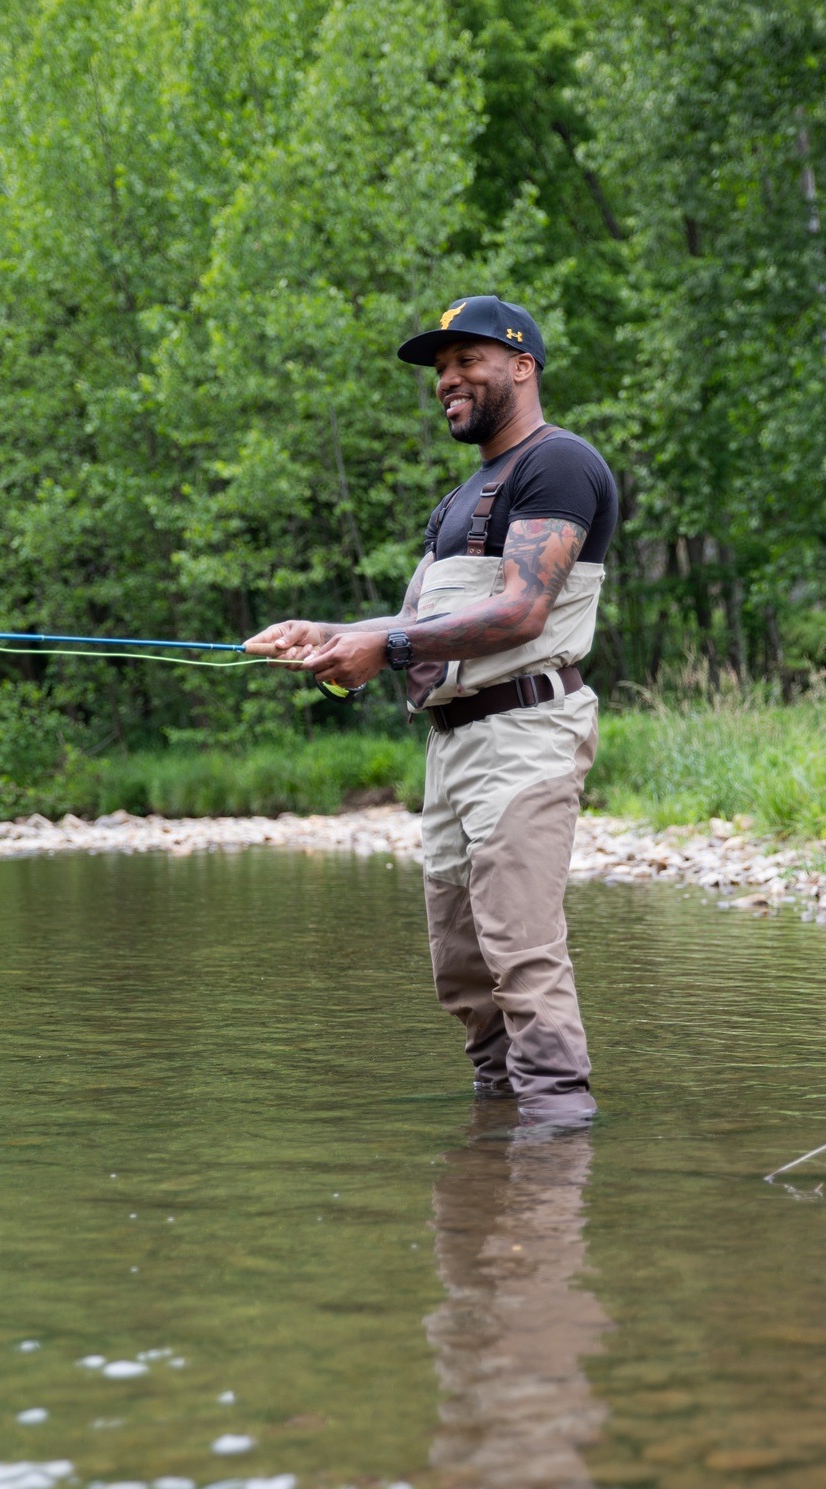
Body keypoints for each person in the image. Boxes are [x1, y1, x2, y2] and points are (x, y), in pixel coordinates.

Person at [245, 295, 617, 1122]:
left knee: (520, 948)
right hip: (453, 748)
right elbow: (417, 625)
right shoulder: (460, 500)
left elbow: (521, 612)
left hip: (527, 735)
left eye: (466, 360)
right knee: (462, 967)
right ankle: (496, 1136)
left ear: (522, 365)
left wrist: (386, 651)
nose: (447, 378)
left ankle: (558, 1140)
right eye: (440, 367)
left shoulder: (556, 466)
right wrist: (328, 633)